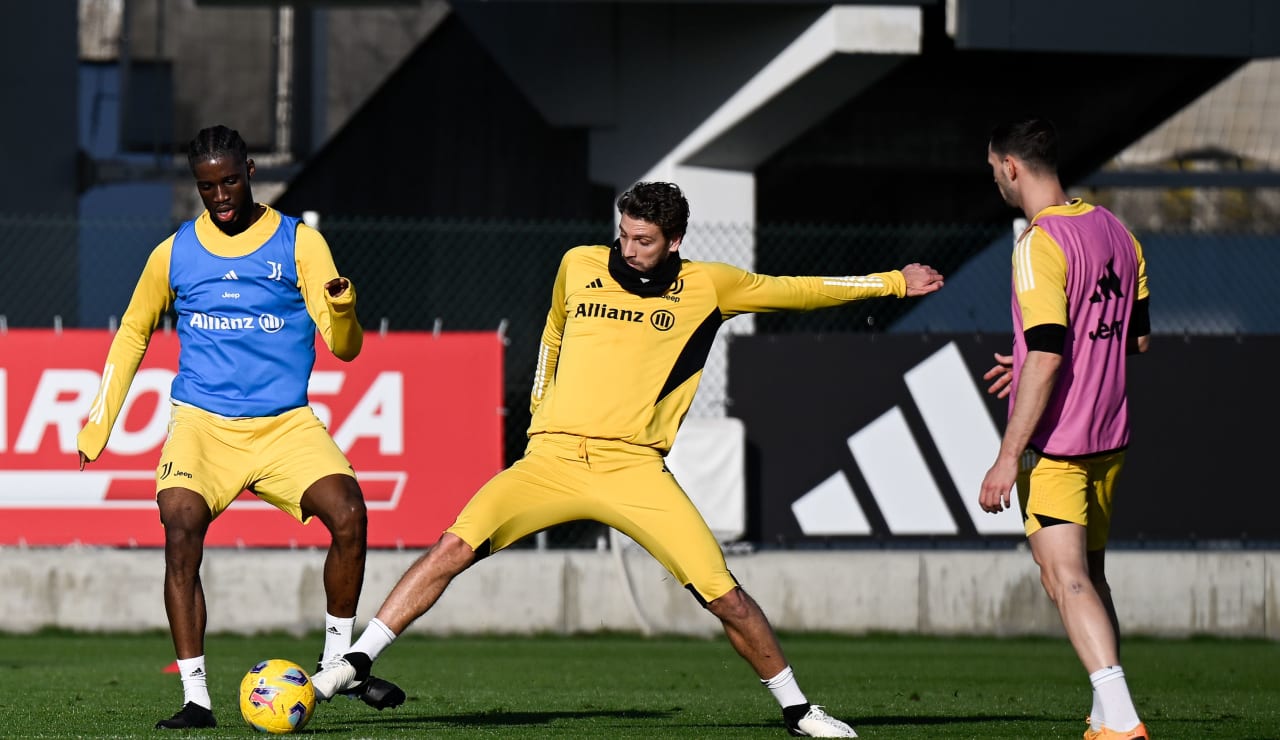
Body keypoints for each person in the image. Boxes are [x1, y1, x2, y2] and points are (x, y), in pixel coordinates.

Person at [310, 180, 944, 737]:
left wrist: (893, 283)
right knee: (451, 547)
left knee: (725, 596)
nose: (627, 247)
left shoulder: (709, 286)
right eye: (623, 234)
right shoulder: (578, 264)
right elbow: (553, 331)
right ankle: (354, 663)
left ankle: (798, 710)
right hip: (551, 459)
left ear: (674, 240)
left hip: (635, 469)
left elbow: (797, 291)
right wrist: (538, 407)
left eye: (642, 239)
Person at [76, 125, 404, 730]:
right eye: (208, 187)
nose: (221, 196)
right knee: (180, 528)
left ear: (250, 170)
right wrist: (101, 422)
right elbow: (132, 332)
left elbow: (345, 347)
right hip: (202, 426)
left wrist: (343, 309)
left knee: (351, 515)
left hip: (284, 426)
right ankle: (196, 699)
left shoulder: (299, 244)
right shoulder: (173, 253)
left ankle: (337, 666)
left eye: (230, 181)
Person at [977, 116, 1151, 740]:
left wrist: (1006, 456)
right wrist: (1026, 357)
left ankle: (1124, 721)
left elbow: (1051, 354)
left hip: (1058, 445)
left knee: (1063, 577)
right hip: (1112, 438)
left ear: (1011, 167)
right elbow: (1136, 338)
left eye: (993, 167)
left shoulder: (1036, 243)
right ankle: (1107, 712)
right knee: (1092, 577)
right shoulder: (1116, 231)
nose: (994, 176)